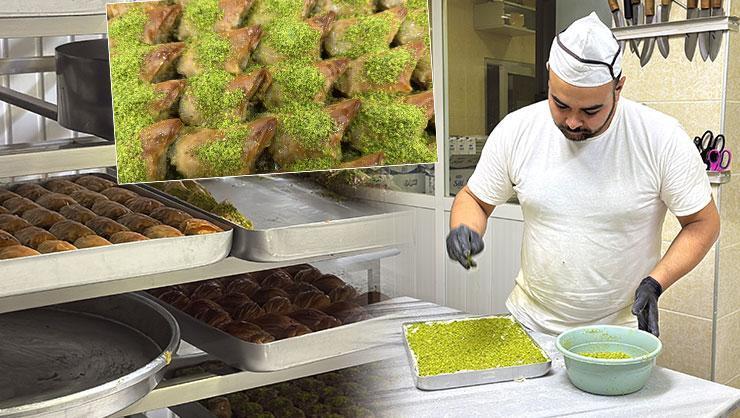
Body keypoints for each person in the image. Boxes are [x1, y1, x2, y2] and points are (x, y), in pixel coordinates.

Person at [446, 12, 720, 337]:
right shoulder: (517, 130)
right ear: (549, 77)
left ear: (618, 87)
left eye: (591, 110)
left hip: (619, 332)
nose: (573, 122)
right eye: (560, 105)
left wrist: (655, 282)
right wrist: (464, 227)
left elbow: (703, 223)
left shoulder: (660, 138)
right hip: (530, 324)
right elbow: (475, 200)